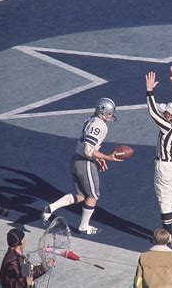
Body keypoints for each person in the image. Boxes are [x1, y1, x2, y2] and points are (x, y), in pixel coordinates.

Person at [42, 98, 123, 234]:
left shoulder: (91, 119)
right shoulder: (99, 125)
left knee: (80, 196)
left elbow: (89, 148)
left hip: (76, 159)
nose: (111, 115)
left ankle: (50, 208)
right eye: (109, 113)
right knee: (93, 196)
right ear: (102, 112)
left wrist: (98, 157)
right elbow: (87, 150)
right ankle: (84, 226)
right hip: (85, 163)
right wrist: (107, 157)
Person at [145, 66, 172, 247]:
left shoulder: (168, 126)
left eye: (166, 112)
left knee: (164, 201)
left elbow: (152, 112)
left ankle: (168, 237)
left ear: (170, 115)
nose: (164, 112)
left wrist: (149, 91)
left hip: (165, 166)